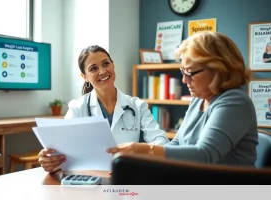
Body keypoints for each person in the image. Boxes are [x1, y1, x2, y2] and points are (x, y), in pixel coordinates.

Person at [107, 32, 258, 166]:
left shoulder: (235, 102)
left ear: (218, 69)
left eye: (190, 72)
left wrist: (147, 150)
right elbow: (177, 143)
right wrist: (142, 159)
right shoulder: (199, 99)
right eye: (183, 71)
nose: (185, 80)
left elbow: (204, 155)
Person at [38, 45, 169, 172]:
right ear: (85, 77)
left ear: (113, 65)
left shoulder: (137, 106)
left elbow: (162, 142)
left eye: (106, 64)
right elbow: (62, 152)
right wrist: (50, 161)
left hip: (126, 175)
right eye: (93, 68)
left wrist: (140, 150)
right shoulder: (77, 108)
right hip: (92, 179)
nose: (102, 71)